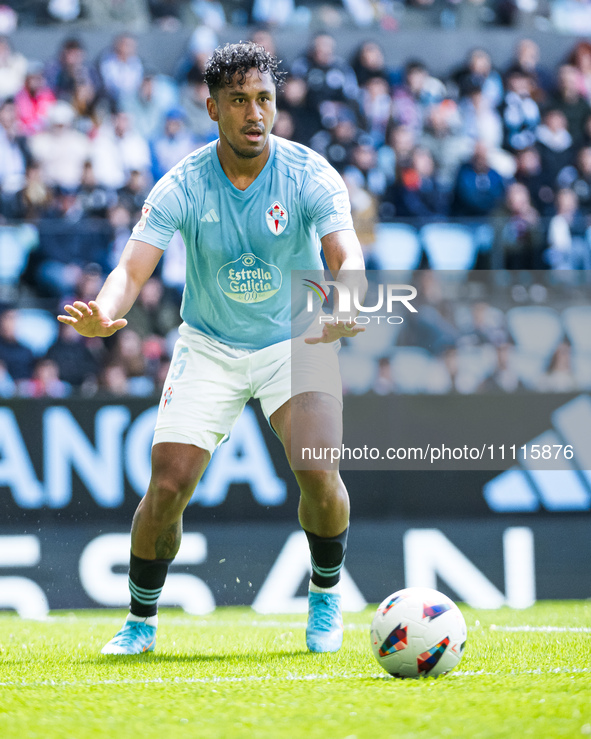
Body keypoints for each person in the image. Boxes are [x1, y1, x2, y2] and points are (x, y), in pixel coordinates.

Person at [58, 42, 366, 656]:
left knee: (318, 471)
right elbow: (131, 268)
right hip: (210, 344)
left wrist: (349, 299)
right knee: (168, 485)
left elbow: (346, 255)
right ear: (211, 108)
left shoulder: (309, 173)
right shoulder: (183, 183)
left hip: (298, 337)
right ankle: (140, 622)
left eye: (265, 100)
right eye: (239, 101)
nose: (255, 114)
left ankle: (326, 599)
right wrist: (106, 312)